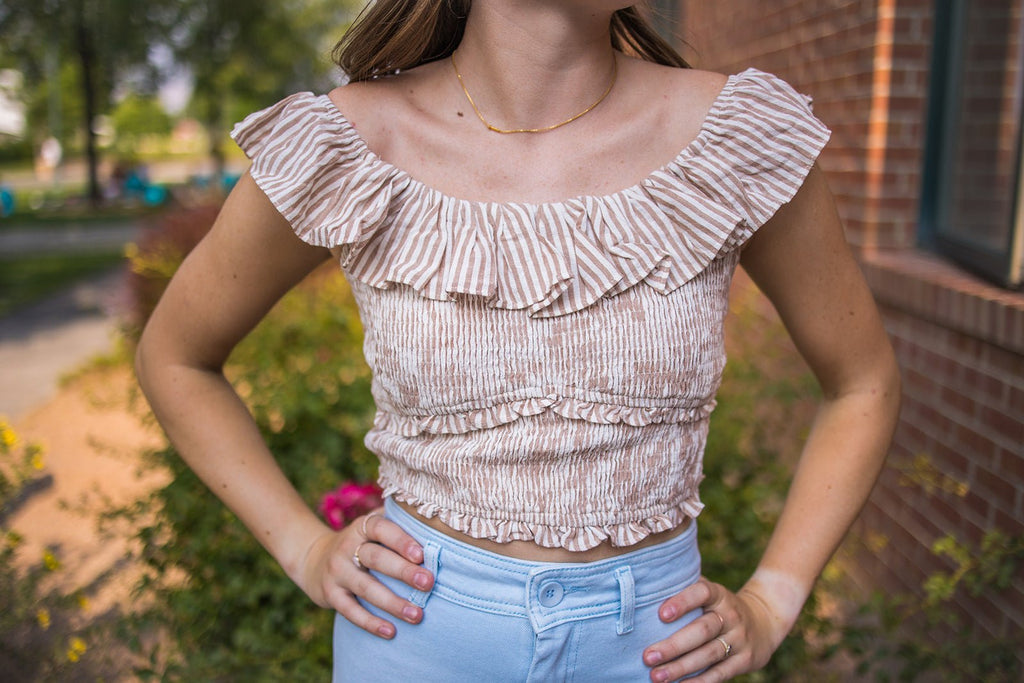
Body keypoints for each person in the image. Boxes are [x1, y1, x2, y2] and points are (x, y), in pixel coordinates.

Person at [135, 1, 901, 681]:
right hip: (415, 640)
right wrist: (304, 548)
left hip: (656, 653)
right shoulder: (351, 143)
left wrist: (773, 600)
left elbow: (863, 382)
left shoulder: (735, 136)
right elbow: (175, 356)